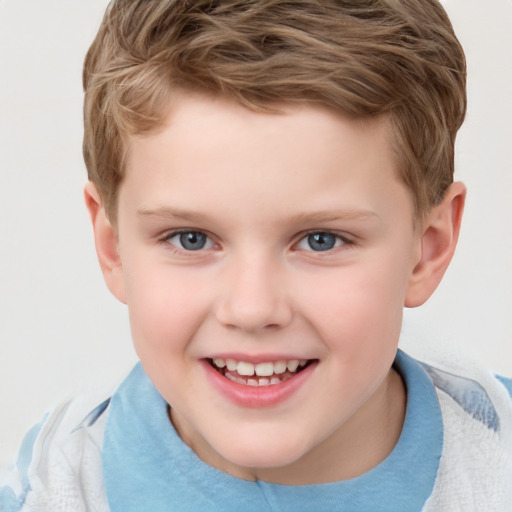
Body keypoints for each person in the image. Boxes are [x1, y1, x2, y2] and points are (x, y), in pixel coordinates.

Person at [1, 1, 511, 510]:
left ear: (427, 248)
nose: (252, 309)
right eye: (191, 238)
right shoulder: (51, 492)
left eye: (321, 240)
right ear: (113, 247)